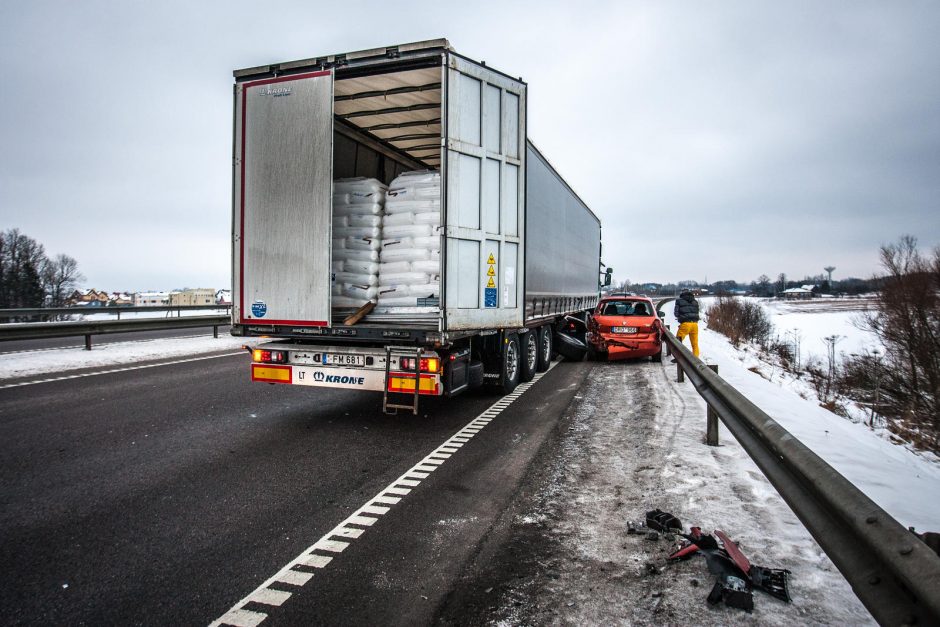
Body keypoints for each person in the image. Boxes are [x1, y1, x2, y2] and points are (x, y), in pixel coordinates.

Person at [674, 290, 700, 357]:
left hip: (685, 324)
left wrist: (680, 317)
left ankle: (678, 356)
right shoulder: (695, 302)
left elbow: (676, 313)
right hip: (695, 324)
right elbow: (697, 312)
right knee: (695, 344)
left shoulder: (679, 301)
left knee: (678, 342)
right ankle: (696, 359)